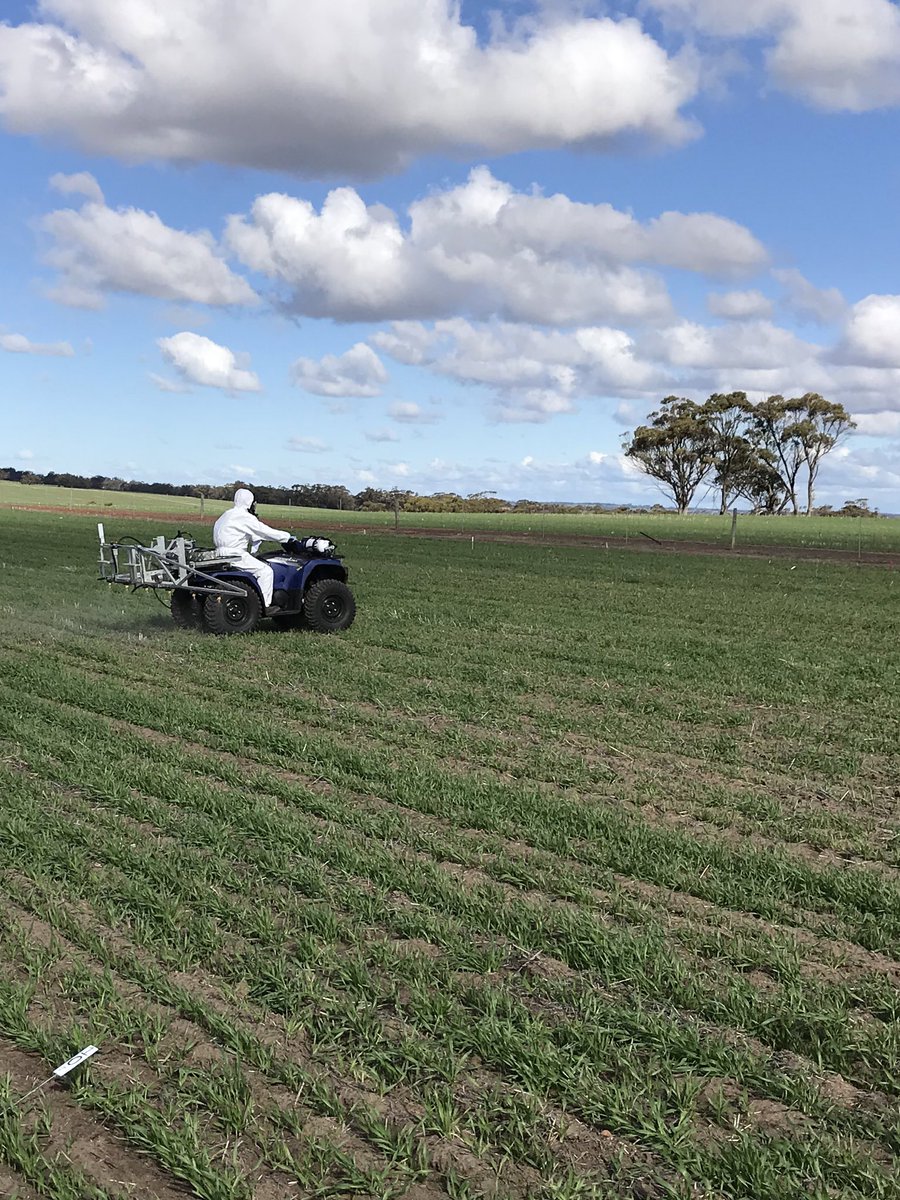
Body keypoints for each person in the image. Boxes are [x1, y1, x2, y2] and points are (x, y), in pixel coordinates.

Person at [212, 488, 294, 609]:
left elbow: (251, 534)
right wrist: (287, 537)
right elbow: (264, 531)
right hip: (235, 554)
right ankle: (264, 606)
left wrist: (254, 550)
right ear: (249, 502)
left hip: (219, 553)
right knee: (265, 572)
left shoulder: (226, 515)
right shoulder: (244, 516)